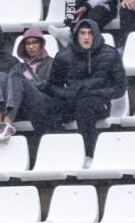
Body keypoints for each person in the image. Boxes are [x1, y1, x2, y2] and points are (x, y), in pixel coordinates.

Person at [41, 21, 126, 157]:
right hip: (72, 99)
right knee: (49, 108)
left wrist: (95, 93)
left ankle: (88, 154)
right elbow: (51, 86)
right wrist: (68, 93)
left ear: (96, 35)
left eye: (90, 33)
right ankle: (56, 152)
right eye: (82, 33)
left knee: (85, 106)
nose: (86, 37)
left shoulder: (110, 54)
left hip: (99, 102)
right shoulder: (64, 56)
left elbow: (120, 87)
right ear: (76, 35)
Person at [0, 27, 52, 143]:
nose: (31, 46)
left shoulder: (50, 63)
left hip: (42, 101)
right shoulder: (19, 66)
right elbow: (10, 87)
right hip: (22, 105)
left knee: (16, 77)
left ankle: (7, 124)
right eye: (28, 43)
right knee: (0, 76)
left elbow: (49, 85)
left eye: (35, 42)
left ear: (41, 44)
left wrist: (26, 83)